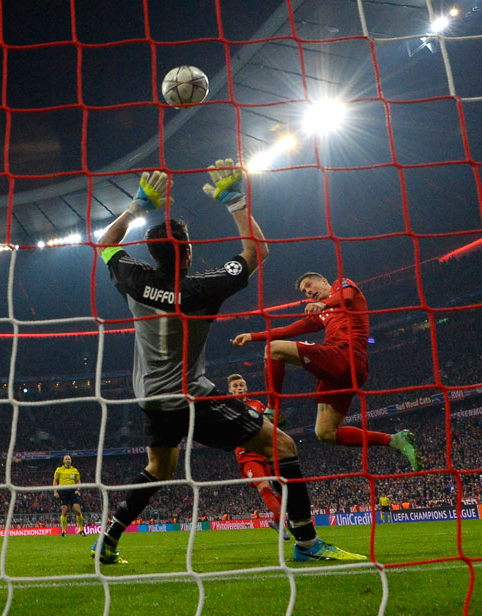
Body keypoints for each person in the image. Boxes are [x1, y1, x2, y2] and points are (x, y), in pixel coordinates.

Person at [91, 160, 364, 564]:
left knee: (158, 467)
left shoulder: (133, 277)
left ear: (151, 253)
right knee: (283, 444)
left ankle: (107, 542)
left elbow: (106, 244)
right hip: (191, 395)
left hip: (149, 395)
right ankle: (307, 544)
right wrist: (233, 199)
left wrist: (136, 207)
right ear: (188, 253)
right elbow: (258, 251)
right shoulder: (204, 286)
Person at [231, 272, 422, 470]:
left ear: (323, 281)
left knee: (274, 349)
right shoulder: (322, 313)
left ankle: (273, 410)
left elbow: (345, 298)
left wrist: (325, 304)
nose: (308, 291)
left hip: (345, 355)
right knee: (325, 433)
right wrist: (253, 336)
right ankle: (394, 440)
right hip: (344, 372)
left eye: (309, 285)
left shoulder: (343, 286)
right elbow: (290, 329)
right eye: (305, 291)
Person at [227, 374, 290, 540]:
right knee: (266, 488)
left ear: (246, 388)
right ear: (230, 390)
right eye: (235, 386)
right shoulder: (226, 408)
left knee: (285, 488)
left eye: (241, 385)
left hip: (266, 452)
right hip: (247, 457)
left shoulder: (258, 405)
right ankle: (284, 522)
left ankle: (276, 521)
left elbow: (270, 424)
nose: (239, 388)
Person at [52, 455, 85, 537]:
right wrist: (55, 491)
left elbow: (78, 481)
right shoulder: (59, 470)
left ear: (71, 460)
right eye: (66, 459)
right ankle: (63, 531)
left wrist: (78, 489)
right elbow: (55, 481)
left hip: (73, 491)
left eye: (69, 459)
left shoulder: (75, 470)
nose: (67, 460)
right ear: (63, 461)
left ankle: (81, 530)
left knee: (77, 509)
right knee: (65, 510)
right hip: (63, 491)